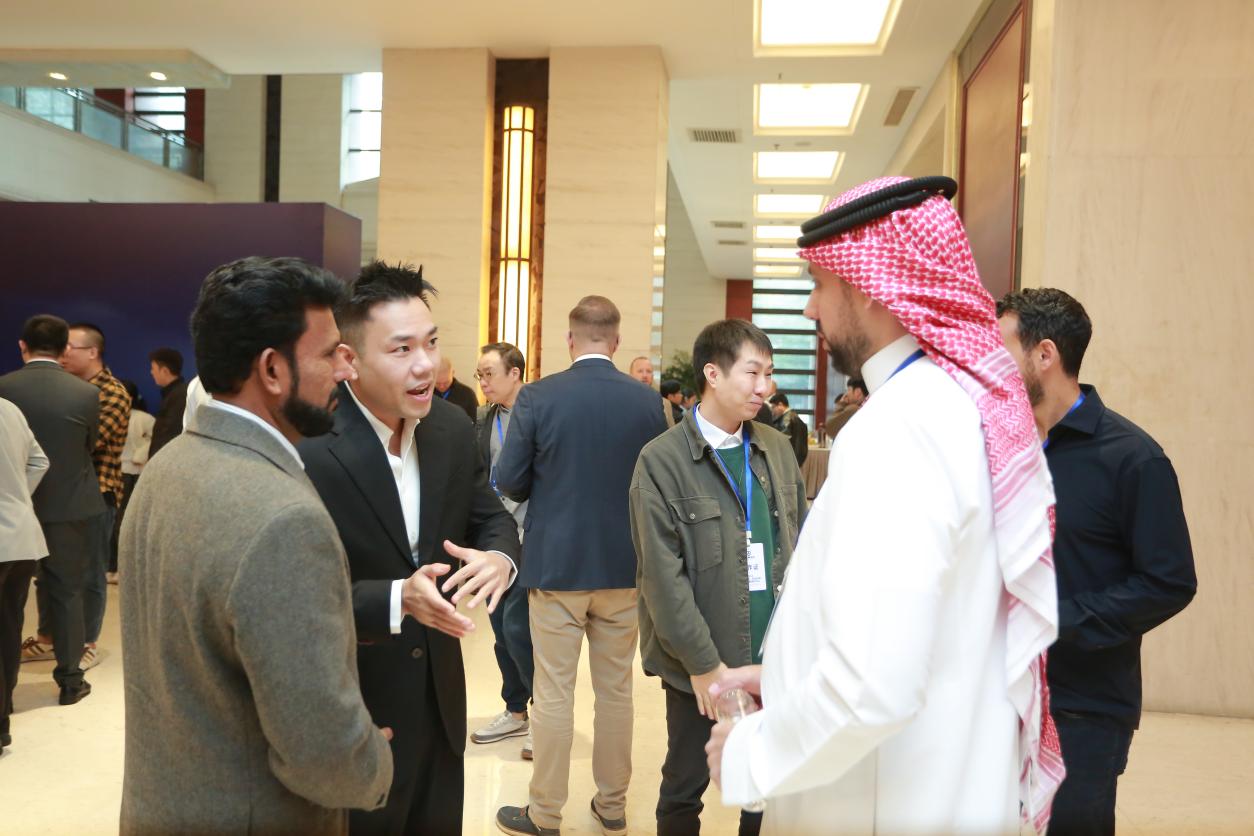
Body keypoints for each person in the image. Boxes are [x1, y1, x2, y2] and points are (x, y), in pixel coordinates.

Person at [706, 176, 1065, 835]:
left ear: (869, 284)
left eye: (819, 284)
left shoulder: (902, 424)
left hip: (888, 802)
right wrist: (786, 677)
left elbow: (872, 685)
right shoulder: (949, 406)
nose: (811, 309)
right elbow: (918, 625)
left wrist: (752, 751)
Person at [118, 256, 393, 834]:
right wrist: (372, 762)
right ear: (271, 369)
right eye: (329, 354)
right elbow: (323, 754)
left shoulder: (168, 465)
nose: (346, 369)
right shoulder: (284, 519)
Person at [299, 261, 519, 836]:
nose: (425, 364)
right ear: (349, 360)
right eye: (401, 349)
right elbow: (291, 596)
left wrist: (500, 557)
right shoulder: (310, 443)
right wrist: (397, 598)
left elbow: (489, 516)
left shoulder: (450, 428)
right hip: (353, 708)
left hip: (439, 702)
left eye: (431, 343)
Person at [997, 288, 1196, 836]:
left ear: (1044, 354)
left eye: (1001, 347)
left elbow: (1169, 581)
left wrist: (1056, 620)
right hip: (998, 695)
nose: (988, 363)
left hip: (1083, 708)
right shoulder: (1001, 448)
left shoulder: (1133, 458)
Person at [495, 296, 668, 836]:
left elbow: (510, 481)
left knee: (553, 692)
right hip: (623, 566)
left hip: (556, 565)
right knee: (616, 691)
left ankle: (545, 814)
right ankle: (612, 806)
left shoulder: (538, 396)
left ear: (569, 340)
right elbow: (658, 486)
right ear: (615, 341)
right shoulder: (648, 403)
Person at [631, 319, 807, 836]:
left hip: (771, 660)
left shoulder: (776, 448)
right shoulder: (661, 461)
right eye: (753, 372)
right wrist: (705, 666)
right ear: (712, 374)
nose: (764, 387)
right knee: (684, 787)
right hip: (700, 666)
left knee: (768, 788)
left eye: (768, 374)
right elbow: (663, 582)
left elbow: (801, 545)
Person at [1, 314, 104, 705]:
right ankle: (70, 681)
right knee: (67, 591)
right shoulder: (85, 393)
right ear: (64, 350)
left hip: (12, 506)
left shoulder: (5, 388)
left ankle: (5, 689)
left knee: (9, 602)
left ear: (22, 346)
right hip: (69, 504)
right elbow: (88, 446)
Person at [472, 340, 536, 760]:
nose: (483, 382)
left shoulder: (539, 415)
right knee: (498, 628)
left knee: (518, 627)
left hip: (532, 535)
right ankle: (515, 711)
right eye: (479, 375)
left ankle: (543, 711)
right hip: (495, 539)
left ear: (515, 373)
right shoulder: (483, 419)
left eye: (489, 374)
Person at [59, 321, 129, 669]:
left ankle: (88, 641)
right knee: (55, 572)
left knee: (91, 574)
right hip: (62, 492)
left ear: (93, 352)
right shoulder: (67, 388)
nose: (62, 353)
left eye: (69, 347)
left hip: (98, 494)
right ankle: (50, 637)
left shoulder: (112, 392)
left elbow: (86, 442)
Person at [0, 395, 50, 753]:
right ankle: (4, 714)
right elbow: (39, 460)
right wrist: (17, 498)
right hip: (22, 534)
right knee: (8, 626)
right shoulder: (9, 408)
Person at [108, 381, 154, 584]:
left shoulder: (144, 418)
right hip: (119, 471)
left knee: (123, 520)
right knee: (116, 521)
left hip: (135, 472)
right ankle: (112, 566)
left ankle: (121, 568)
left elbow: (156, 440)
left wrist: (140, 454)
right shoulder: (115, 416)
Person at [148, 346, 188, 458]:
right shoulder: (174, 393)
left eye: (153, 368)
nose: (151, 372)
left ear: (165, 371)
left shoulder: (179, 396)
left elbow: (169, 435)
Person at [767, 392, 808, 467]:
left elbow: (782, 440)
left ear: (780, 405)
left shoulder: (788, 419)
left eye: (773, 407)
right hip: (791, 460)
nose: (772, 411)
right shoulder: (791, 417)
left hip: (788, 461)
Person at [434, 356, 479, 421]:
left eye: (446, 383)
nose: (442, 386)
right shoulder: (425, 393)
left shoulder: (468, 394)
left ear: (453, 373)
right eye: (437, 383)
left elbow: (478, 421)